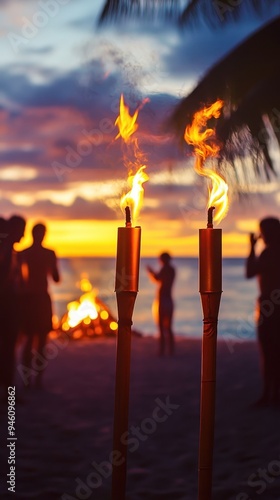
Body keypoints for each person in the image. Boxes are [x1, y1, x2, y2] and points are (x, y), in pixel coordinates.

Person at [19, 222, 60, 388]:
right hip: (40, 298)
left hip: (28, 299)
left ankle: (28, 380)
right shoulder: (49, 253)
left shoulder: (23, 253)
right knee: (41, 340)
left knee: (29, 340)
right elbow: (56, 278)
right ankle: (37, 380)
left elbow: (18, 281)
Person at [246, 217, 280, 407]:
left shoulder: (269, 253)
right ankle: (274, 393)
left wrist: (251, 247)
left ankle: (269, 393)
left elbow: (250, 272)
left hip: (269, 308)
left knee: (268, 352)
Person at [0, 215, 26, 392]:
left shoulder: (11, 251)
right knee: (7, 350)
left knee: (9, 351)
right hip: (7, 307)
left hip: (10, 306)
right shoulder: (6, 251)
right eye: (21, 231)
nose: (23, 236)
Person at [146, 252, 176, 356]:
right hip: (169, 300)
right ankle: (170, 350)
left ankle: (162, 350)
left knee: (161, 326)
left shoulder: (165, 269)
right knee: (168, 327)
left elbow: (157, 278)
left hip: (163, 300)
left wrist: (150, 271)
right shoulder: (172, 270)